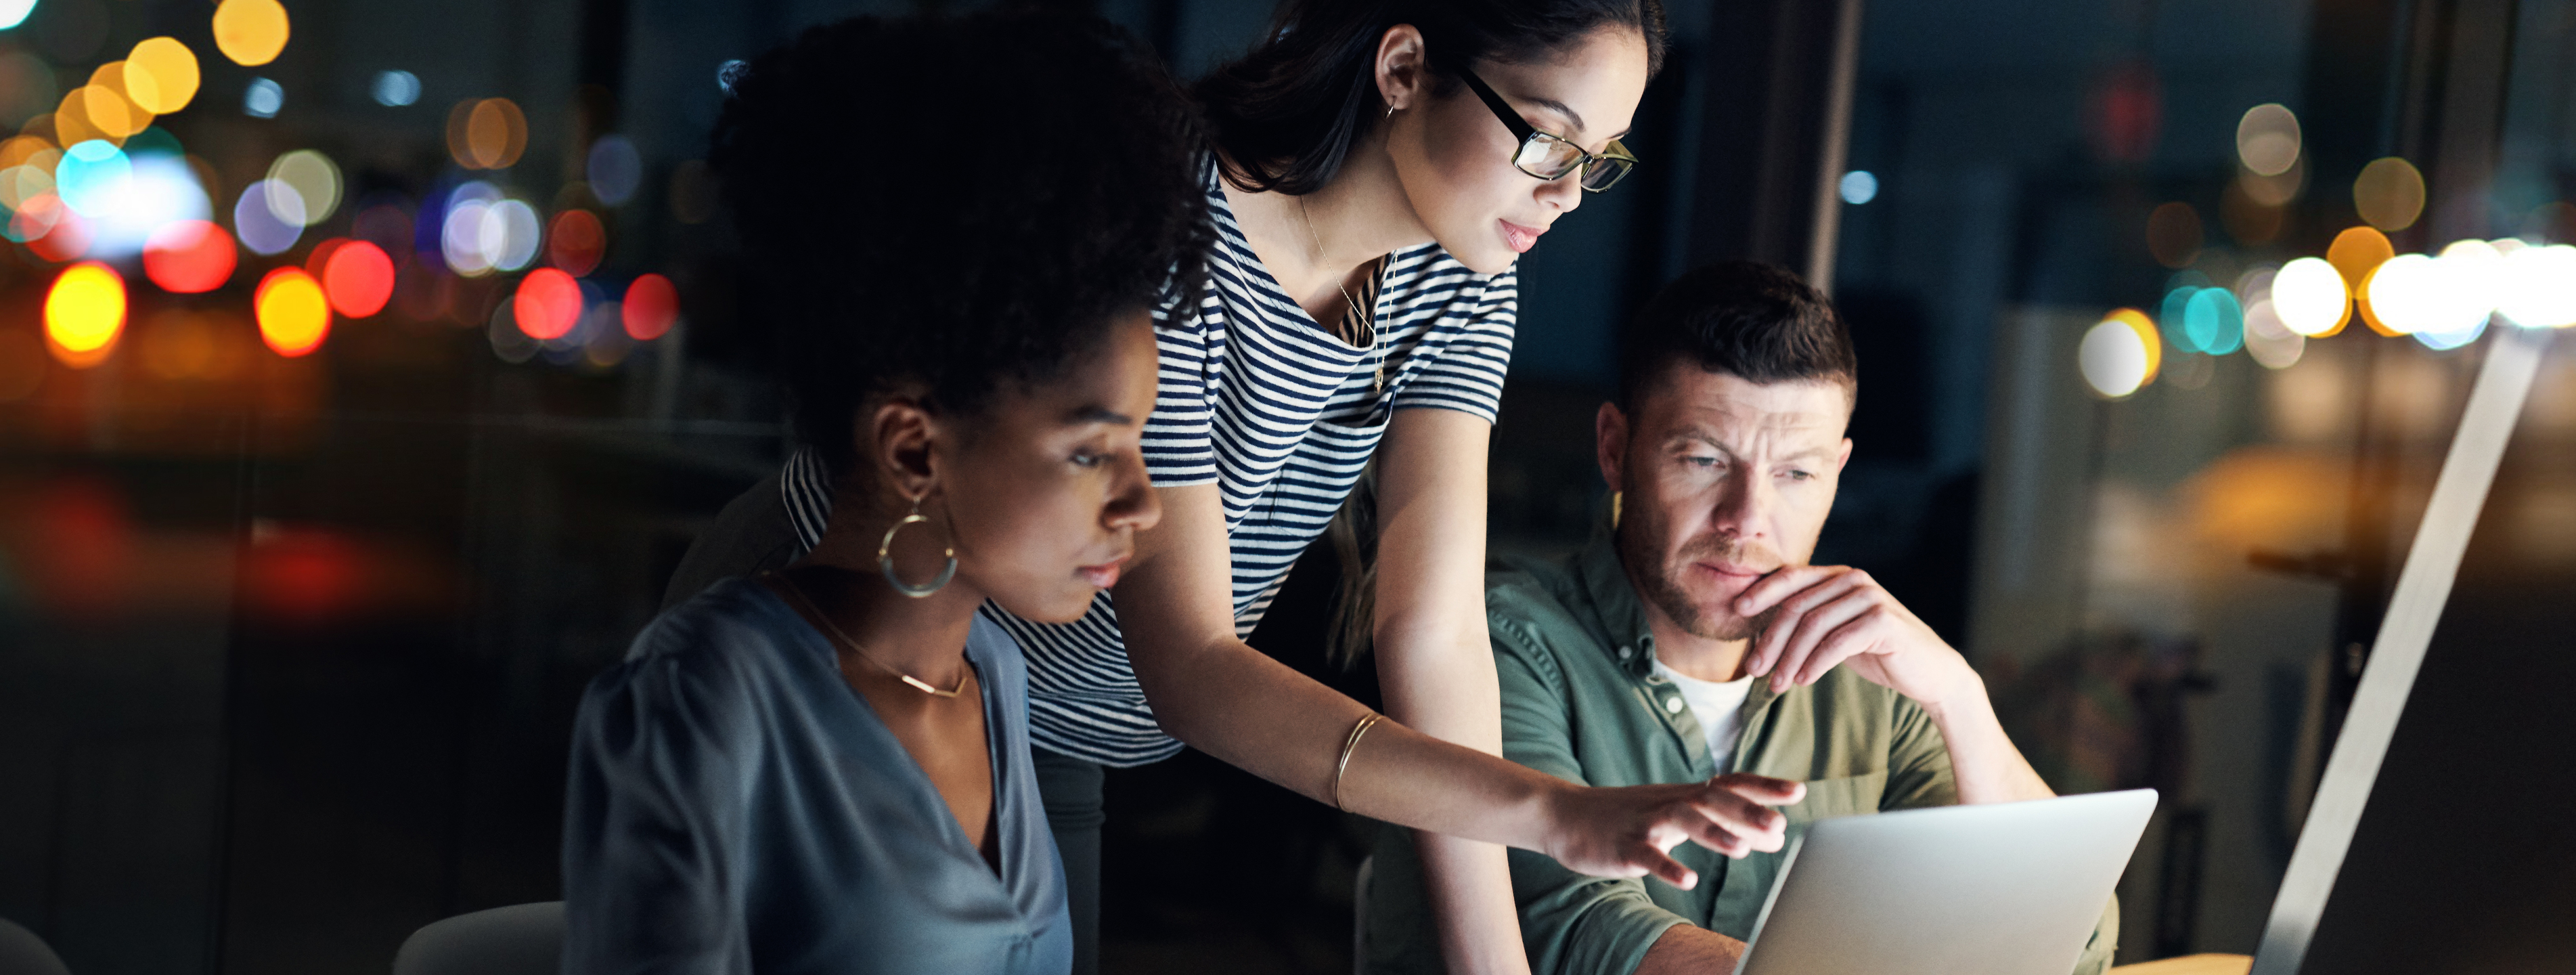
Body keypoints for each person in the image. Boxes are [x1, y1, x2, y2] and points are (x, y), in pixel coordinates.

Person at [661, 3, 1792, 974]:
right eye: (1549, 142)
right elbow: (1191, 664)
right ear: (1404, 69)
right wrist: (1554, 811)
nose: (1572, 195)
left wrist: (1489, 962)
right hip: (863, 638)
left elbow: (1434, 635)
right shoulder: (1166, 222)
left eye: (1603, 160)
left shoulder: (1464, 280)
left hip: (1057, 723)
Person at [560, 12, 1209, 972]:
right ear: (913, 452)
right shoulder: (702, 702)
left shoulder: (994, 673)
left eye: (1141, 446)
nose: (1144, 506)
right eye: (1089, 454)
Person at [1361, 261, 2120, 974]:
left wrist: (1959, 697)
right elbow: (1568, 927)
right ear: (1616, 448)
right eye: (1704, 460)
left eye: (1795, 473)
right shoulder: (1496, 641)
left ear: (1837, 475)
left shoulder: (1877, 682)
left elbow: (2078, 941)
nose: (1747, 520)